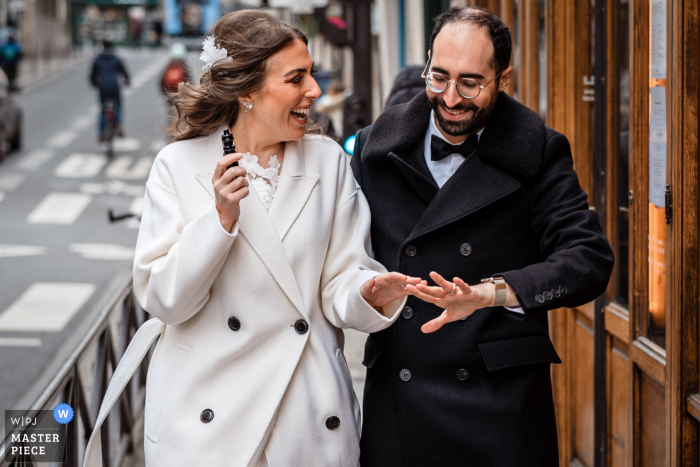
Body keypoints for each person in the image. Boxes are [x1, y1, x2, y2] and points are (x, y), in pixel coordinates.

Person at [83, 10, 420, 467]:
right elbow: (163, 299)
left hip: (305, 418)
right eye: (296, 78)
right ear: (246, 91)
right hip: (207, 425)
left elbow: (341, 277)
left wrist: (368, 290)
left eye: (312, 75)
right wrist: (220, 220)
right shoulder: (178, 167)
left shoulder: (328, 163)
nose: (315, 91)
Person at [351, 6, 614, 467]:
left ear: (504, 78)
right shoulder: (376, 150)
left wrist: (493, 293)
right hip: (401, 398)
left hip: (499, 405)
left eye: (470, 83)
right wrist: (365, 293)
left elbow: (588, 259)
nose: (451, 98)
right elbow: (340, 263)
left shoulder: (539, 152)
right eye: (439, 77)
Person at [90, 40, 130, 142]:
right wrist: (127, 81)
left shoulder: (98, 59)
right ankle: (118, 124)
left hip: (102, 88)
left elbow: (92, 75)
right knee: (119, 106)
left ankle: (101, 134)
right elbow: (124, 73)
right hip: (114, 87)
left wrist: (94, 84)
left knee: (103, 109)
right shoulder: (116, 59)